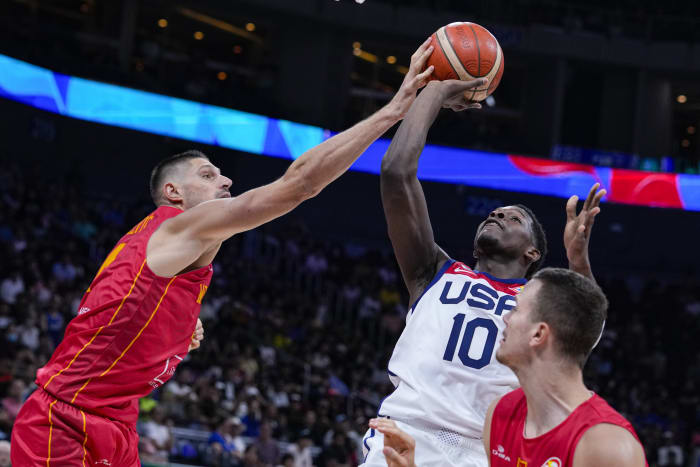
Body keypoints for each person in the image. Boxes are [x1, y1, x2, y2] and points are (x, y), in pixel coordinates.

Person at [10, 38, 447, 466]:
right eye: (207, 174)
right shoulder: (177, 225)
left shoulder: (174, 253)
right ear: (172, 192)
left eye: (222, 174)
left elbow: (118, 309)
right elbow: (300, 185)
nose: (226, 182)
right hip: (65, 421)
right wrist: (395, 108)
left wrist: (179, 326)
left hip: (117, 423)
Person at [361, 77, 606, 466]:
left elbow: (586, 331)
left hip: (488, 449)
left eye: (514, 217)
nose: (497, 214)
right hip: (408, 430)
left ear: (533, 251)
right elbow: (396, 172)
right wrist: (436, 93)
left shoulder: (539, 299)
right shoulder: (433, 270)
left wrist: (578, 260)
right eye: (495, 212)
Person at [369, 268, 647, 466]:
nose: (504, 318)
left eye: (515, 309)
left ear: (538, 334)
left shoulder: (606, 446)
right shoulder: (501, 415)